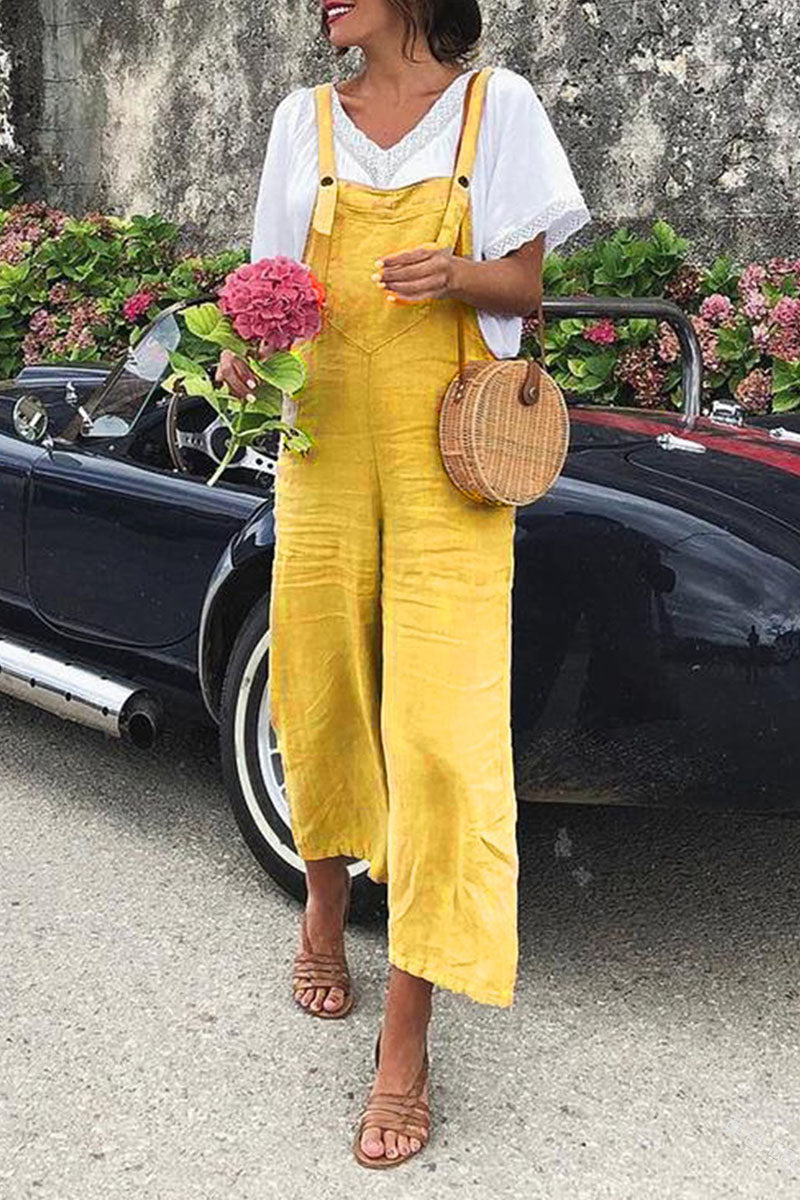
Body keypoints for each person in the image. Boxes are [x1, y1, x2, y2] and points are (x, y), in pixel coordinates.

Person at [217, 0, 590, 1169]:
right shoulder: (301, 122)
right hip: (323, 442)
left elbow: (523, 290)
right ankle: (324, 905)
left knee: (439, 737)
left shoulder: (495, 106)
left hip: (450, 457)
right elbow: (270, 287)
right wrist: (242, 350)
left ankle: (404, 1039)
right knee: (319, 681)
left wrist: (459, 273)